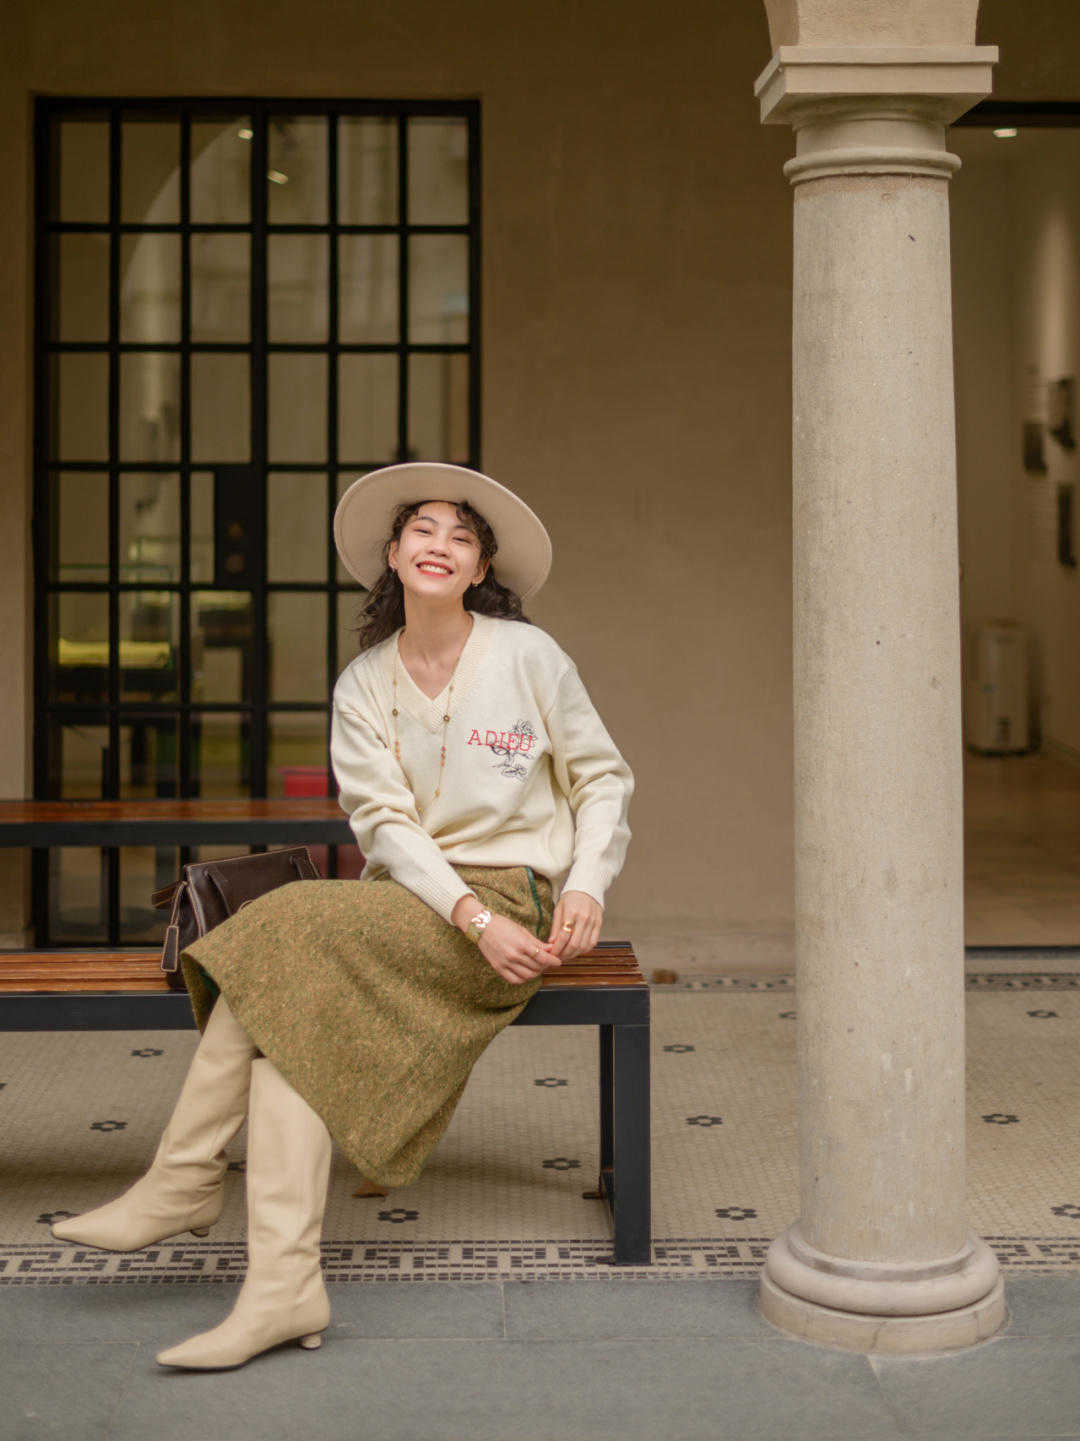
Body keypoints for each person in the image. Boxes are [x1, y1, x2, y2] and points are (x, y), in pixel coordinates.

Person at [51, 461, 634, 1370]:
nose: (440, 546)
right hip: (415, 904)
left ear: (480, 567)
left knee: (282, 927)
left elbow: (601, 777)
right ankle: (282, 1287)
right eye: (423, 531)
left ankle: (184, 1174)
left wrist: (587, 882)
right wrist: (466, 914)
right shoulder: (363, 682)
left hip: (515, 903)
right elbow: (386, 828)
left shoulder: (528, 656)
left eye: (462, 536)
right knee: (292, 1032)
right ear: (393, 556)